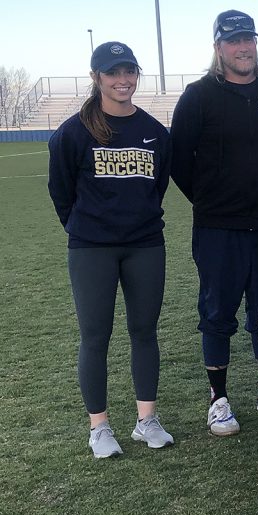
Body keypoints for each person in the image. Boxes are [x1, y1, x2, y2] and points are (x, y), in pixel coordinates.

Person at [170, 10, 258, 435]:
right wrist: (212, 200)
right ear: (218, 48)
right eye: (233, 41)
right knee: (217, 311)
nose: (243, 47)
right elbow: (179, 162)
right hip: (218, 227)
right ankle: (218, 399)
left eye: (248, 39)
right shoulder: (197, 96)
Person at [47, 41, 174, 457]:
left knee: (144, 331)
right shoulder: (73, 131)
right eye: (112, 72)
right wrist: (87, 229)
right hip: (92, 249)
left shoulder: (154, 131)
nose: (123, 80)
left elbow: (157, 187)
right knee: (95, 336)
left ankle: (146, 420)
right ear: (96, 77)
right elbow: (61, 191)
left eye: (129, 71)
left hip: (144, 245)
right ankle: (99, 427)